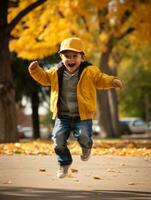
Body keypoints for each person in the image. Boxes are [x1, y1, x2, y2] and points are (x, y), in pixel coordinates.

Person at [28, 37, 123, 178]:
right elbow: (44, 78)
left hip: (82, 115)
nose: (70, 60)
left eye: (75, 56)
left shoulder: (90, 71)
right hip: (62, 116)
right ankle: (64, 163)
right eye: (67, 56)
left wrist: (112, 81)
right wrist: (35, 70)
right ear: (61, 57)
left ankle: (86, 147)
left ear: (82, 57)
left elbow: (100, 79)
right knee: (58, 139)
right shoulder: (55, 72)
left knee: (84, 136)